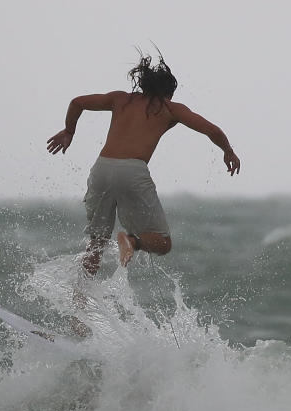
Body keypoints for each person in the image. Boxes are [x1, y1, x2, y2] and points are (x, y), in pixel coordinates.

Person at [46, 54, 240, 277]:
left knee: (96, 244)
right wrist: (228, 151)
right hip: (132, 171)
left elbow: (77, 102)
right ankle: (131, 242)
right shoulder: (170, 108)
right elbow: (211, 130)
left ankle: (79, 302)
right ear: (168, 92)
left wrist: (69, 130)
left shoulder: (121, 99)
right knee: (163, 243)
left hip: (101, 168)